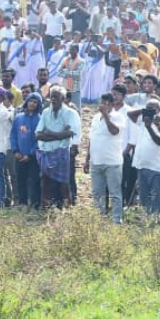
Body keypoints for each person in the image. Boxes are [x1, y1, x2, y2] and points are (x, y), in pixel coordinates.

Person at [35, 88, 80, 208]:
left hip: (62, 151)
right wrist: (59, 135)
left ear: (63, 99)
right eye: (51, 97)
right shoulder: (45, 112)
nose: (53, 99)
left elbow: (70, 133)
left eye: (56, 97)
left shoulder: (71, 113)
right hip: (46, 151)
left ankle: (67, 208)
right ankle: (45, 207)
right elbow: (38, 135)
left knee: (64, 183)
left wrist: (49, 133)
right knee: (45, 181)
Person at [86, 92, 126, 223]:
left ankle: (116, 221)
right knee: (97, 193)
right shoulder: (95, 118)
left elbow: (114, 131)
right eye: (101, 102)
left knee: (115, 194)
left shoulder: (118, 117)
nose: (102, 105)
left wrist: (106, 115)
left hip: (112, 163)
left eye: (105, 103)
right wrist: (87, 159)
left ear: (111, 104)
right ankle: (99, 220)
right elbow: (91, 139)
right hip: (96, 162)